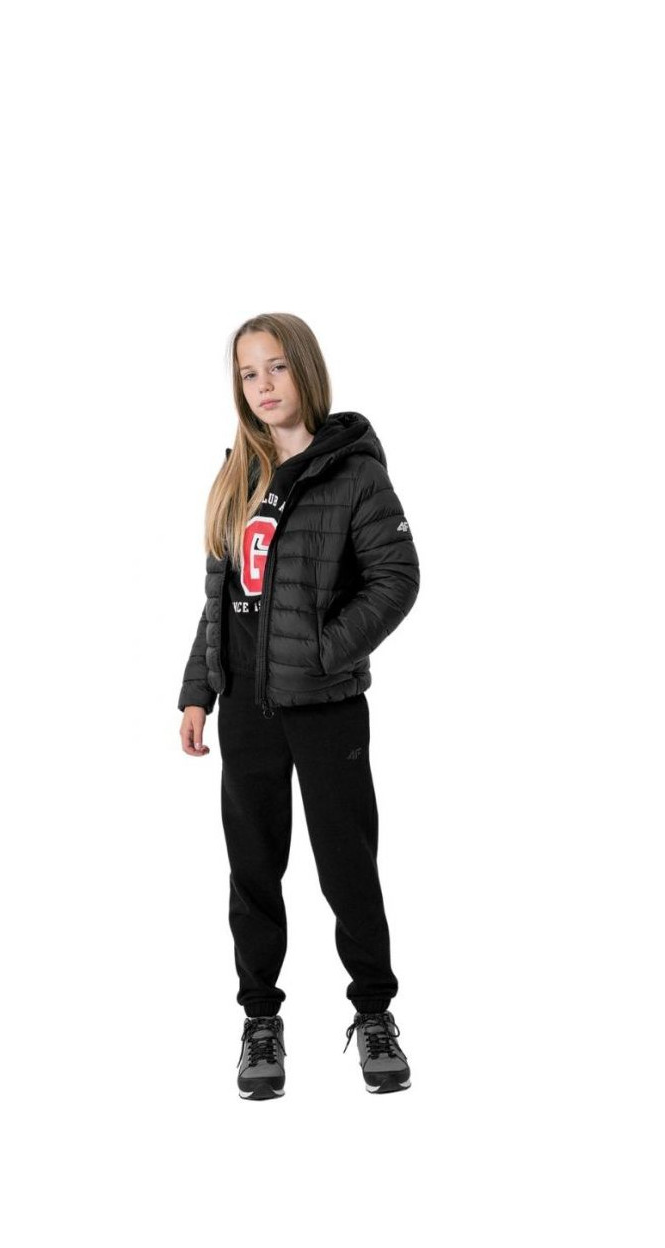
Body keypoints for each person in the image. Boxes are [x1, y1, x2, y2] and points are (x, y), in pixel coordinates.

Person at [177, 312, 420, 1100]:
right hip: (247, 707)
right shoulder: (238, 476)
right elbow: (220, 601)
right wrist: (198, 691)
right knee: (253, 869)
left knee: (347, 866)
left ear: (305, 371)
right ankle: (260, 1020)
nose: (264, 385)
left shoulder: (353, 473)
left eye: (277, 367)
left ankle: (374, 1012)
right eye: (249, 374)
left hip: (325, 706)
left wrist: (323, 651)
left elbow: (396, 578)